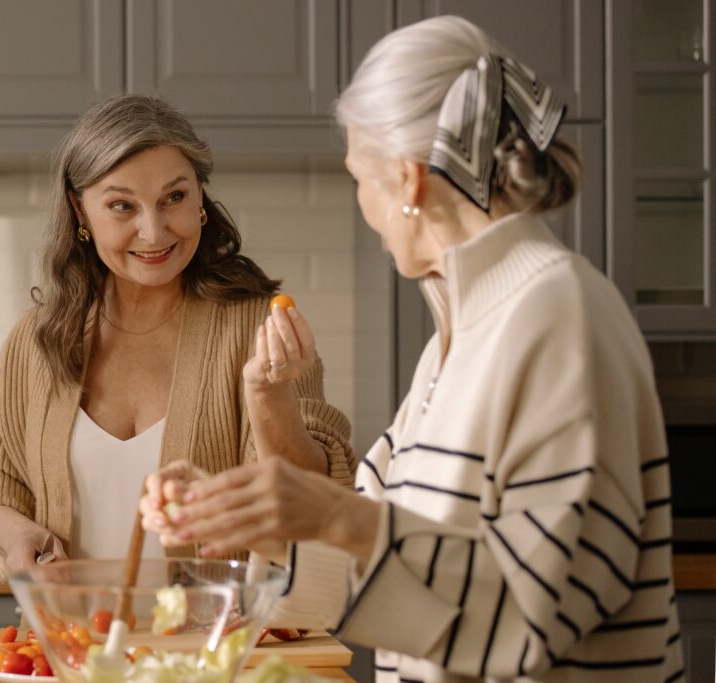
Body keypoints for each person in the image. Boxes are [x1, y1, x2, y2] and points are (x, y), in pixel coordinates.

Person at [141, 16, 684, 682]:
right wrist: (242, 514)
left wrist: (338, 514)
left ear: (407, 182)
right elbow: (365, 568)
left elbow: (540, 612)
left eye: (360, 179)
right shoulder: (453, 345)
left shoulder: (559, 312)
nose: (363, 205)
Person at [0, 94, 356, 585]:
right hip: (73, 651)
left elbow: (312, 498)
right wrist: (16, 537)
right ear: (80, 211)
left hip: (213, 653)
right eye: (122, 206)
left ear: (200, 197)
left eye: (174, 198)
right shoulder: (36, 343)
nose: (154, 230)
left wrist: (271, 397)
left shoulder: (259, 329)